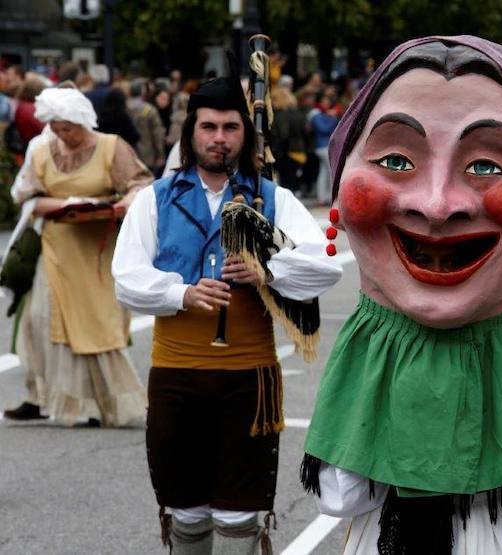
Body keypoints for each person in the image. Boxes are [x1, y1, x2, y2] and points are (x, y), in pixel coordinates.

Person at [299, 36, 502, 553]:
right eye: (396, 160)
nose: (436, 204)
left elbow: (342, 492)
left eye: (488, 166)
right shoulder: (373, 343)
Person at [111, 73, 342, 554]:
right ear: (191, 131)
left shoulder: (272, 199)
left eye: (231, 127)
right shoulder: (156, 199)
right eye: (209, 127)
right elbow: (126, 279)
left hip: (248, 380)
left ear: (246, 133)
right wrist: (183, 295)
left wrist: (268, 271)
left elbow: (325, 264)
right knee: (186, 510)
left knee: (239, 513)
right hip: (177, 372)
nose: (219, 138)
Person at [2, 88, 151, 426]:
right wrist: (67, 205)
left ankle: (105, 405)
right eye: (53, 126)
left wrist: (121, 205)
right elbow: (28, 198)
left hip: (98, 249)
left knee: (96, 327)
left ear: (82, 121)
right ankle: (49, 398)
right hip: (56, 248)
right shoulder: (42, 152)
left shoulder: (111, 147)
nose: (59, 133)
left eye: (65, 127)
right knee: (40, 321)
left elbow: (141, 185)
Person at [127, 79, 166, 175]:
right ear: (143, 91)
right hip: (147, 156)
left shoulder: (123, 107)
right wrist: (160, 155)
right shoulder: (149, 110)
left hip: (127, 155)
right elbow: (157, 134)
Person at [309, 93, 339, 205]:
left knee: (324, 172)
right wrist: (332, 118)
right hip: (323, 146)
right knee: (332, 172)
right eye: (324, 101)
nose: (326, 103)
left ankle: (323, 197)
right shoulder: (316, 115)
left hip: (323, 146)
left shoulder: (322, 114)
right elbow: (324, 129)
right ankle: (331, 196)